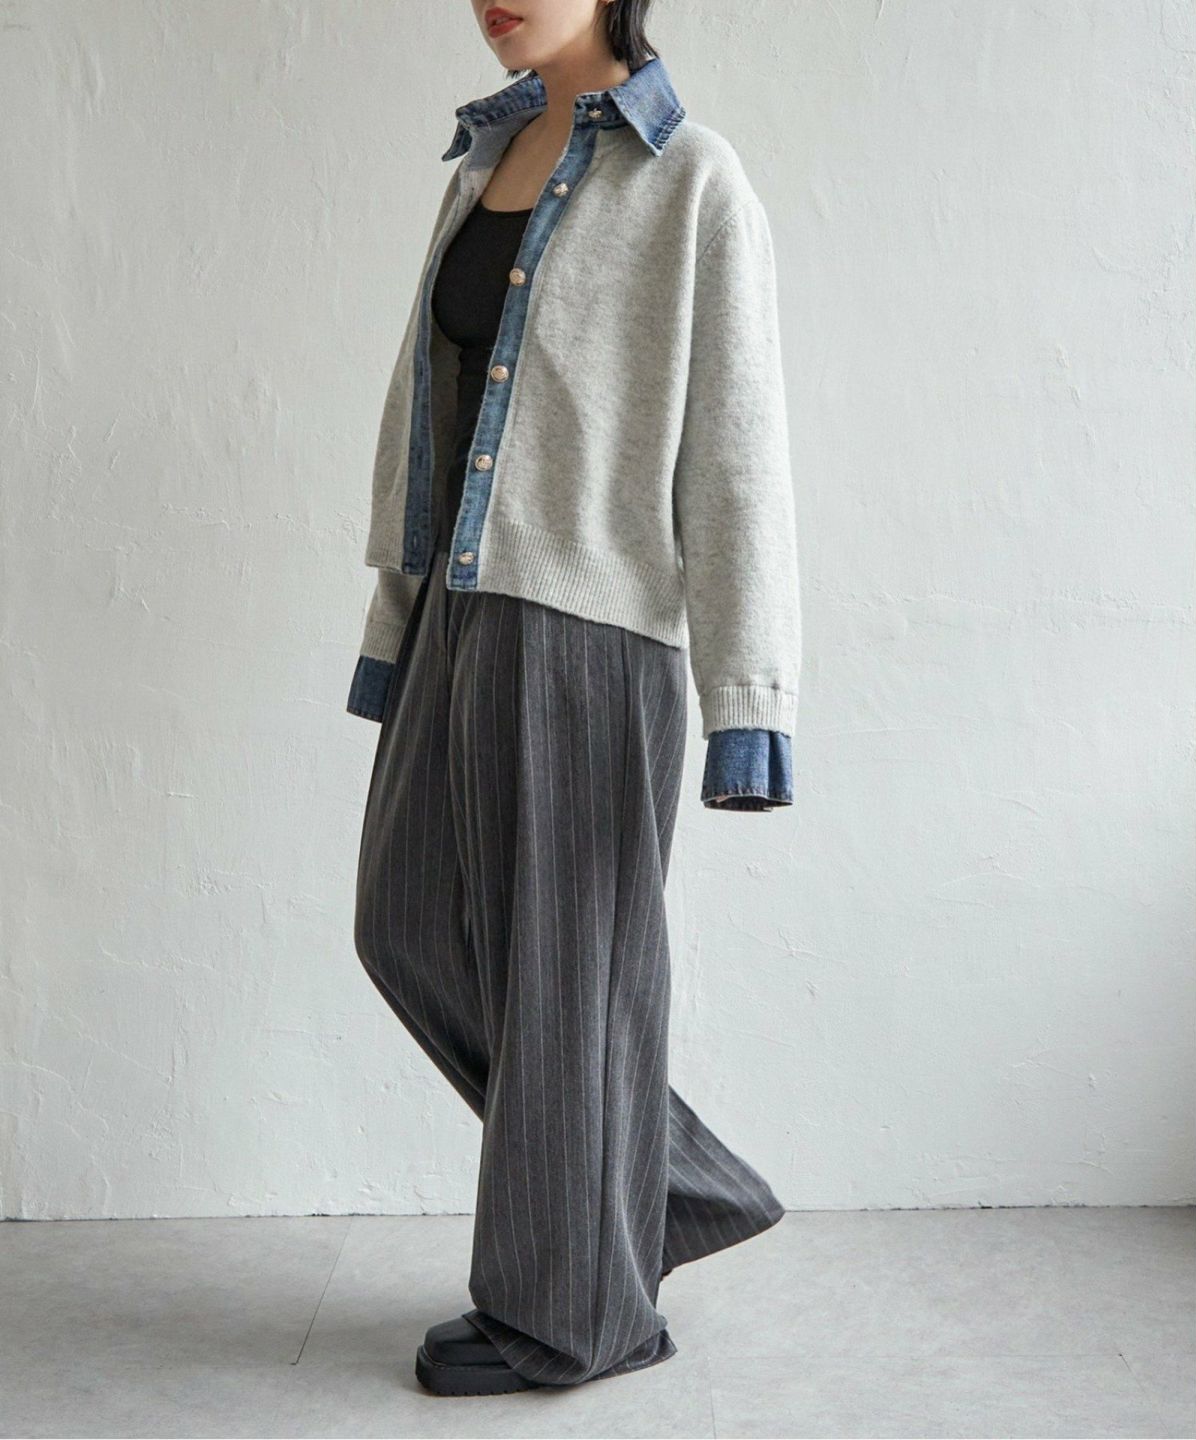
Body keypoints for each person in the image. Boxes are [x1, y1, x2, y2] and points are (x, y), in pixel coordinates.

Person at [346, 0, 803, 1396]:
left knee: (566, 982)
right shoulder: (484, 160)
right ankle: (658, 1196)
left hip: (590, 633)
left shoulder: (690, 177)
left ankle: (575, 1317)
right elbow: (427, 418)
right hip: (459, 606)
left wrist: (748, 695)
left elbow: (737, 449)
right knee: (406, 925)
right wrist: (395, 620)